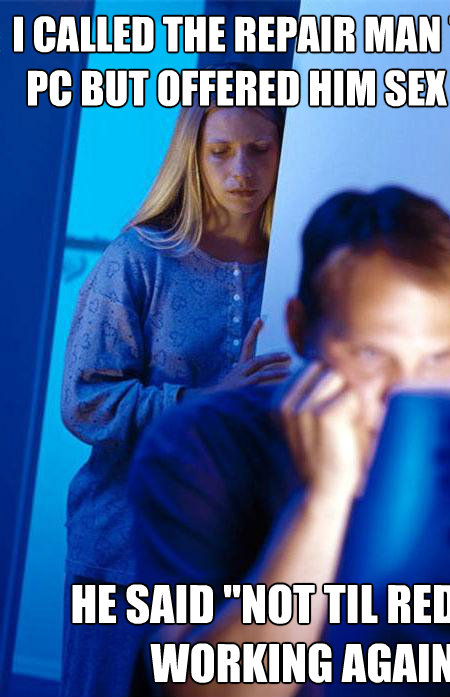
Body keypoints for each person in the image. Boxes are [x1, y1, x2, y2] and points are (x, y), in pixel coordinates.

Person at [128, 186, 450, 696]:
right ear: (299, 328)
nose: (404, 396)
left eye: (436, 359)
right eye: (371, 356)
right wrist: (323, 501)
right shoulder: (194, 447)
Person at [60, 63, 290, 697]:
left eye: (259, 149)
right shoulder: (138, 259)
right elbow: (84, 401)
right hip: (122, 547)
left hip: (232, 553)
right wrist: (203, 401)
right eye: (220, 152)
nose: (241, 170)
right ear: (193, 155)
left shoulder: (291, 267)